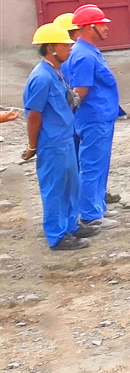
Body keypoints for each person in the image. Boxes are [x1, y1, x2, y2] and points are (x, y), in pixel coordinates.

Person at [22, 22, 85, 251]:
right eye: (65, 44)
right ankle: (57, 236)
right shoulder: (42, 77)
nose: (70, 48)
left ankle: (70, 227)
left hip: (64, 139)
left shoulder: (54, 72)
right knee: (55, 189)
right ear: (51, 48)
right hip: (52, 143)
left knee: (70, 186)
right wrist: (32, 145)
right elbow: (34, 115)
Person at [63, 3, 125, 228]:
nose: (106, 27)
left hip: (98, 116)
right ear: (89, 27)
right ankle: (89, 214)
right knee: (92, 166)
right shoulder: (84, 55)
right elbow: (80, 91)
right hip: (94, 118)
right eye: (102, 24)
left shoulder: (86, 51)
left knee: (98, 165)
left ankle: (96, 208)